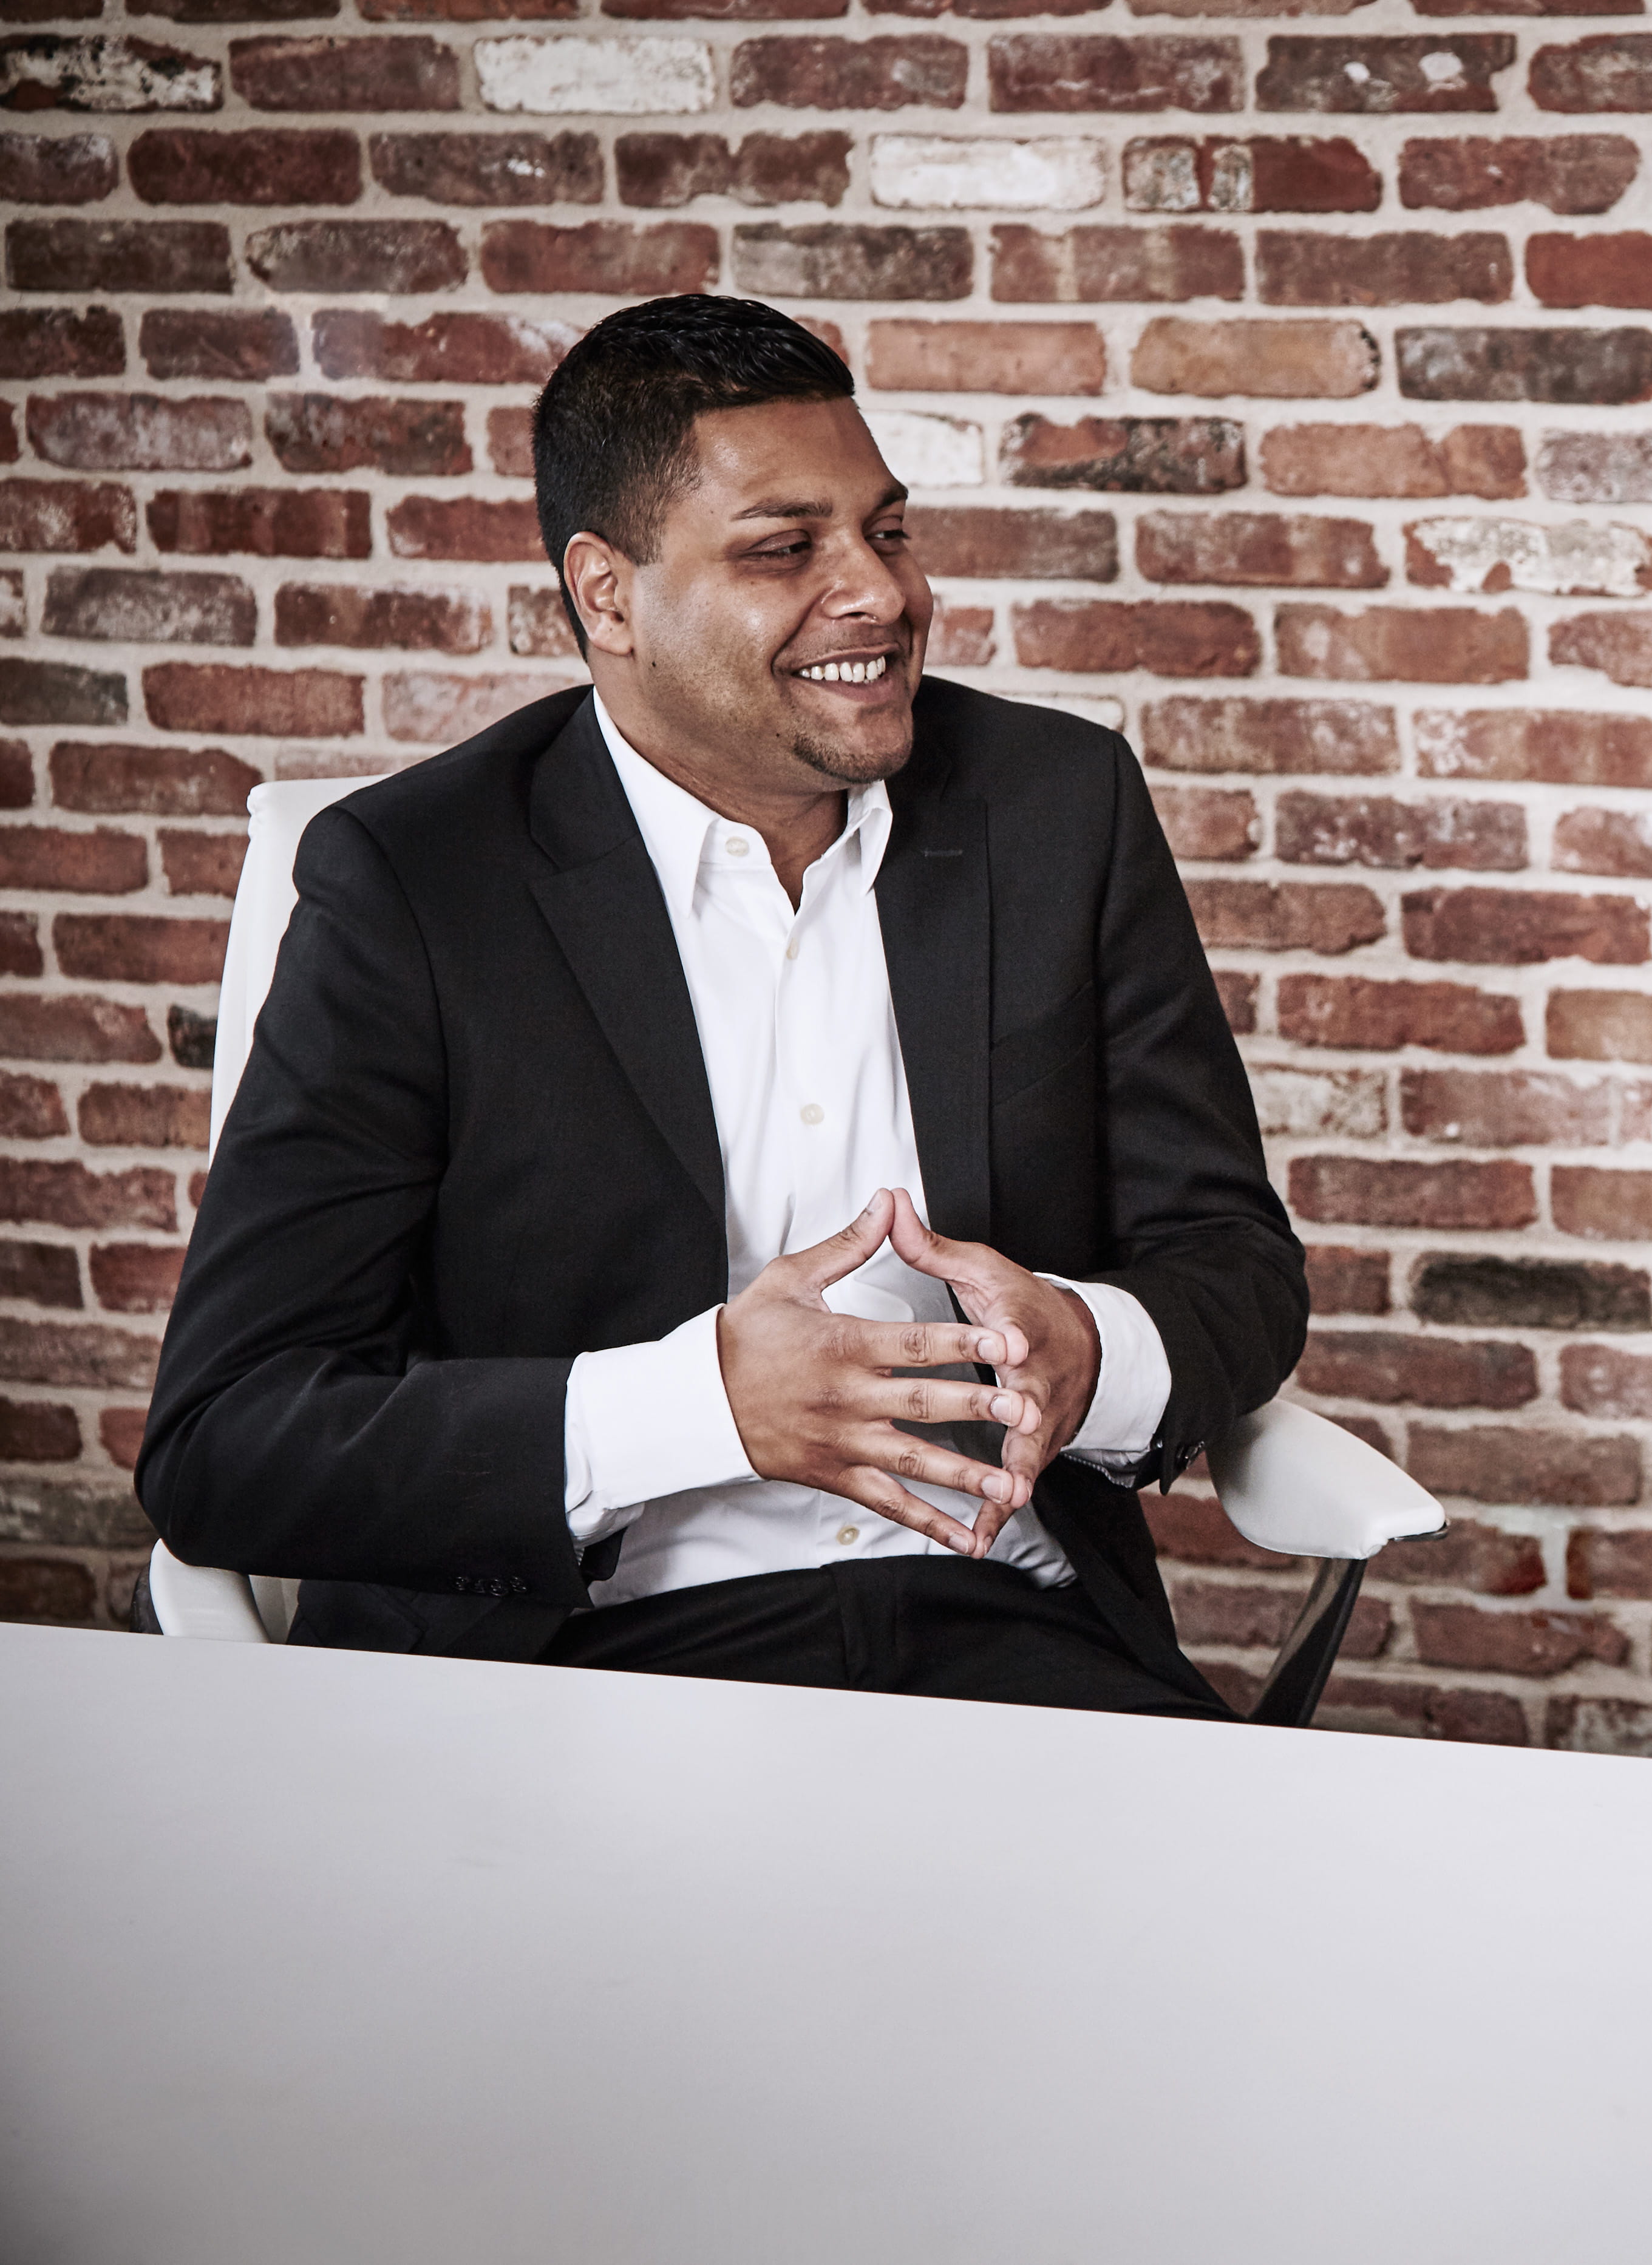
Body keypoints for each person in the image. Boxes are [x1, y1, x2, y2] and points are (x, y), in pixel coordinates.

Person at [141, 295, 1304, 1717]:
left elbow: (1232, 1259)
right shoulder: (414, 881)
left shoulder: (1058, 807)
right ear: (607, 592)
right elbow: (227, 1443)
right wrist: (704, 1406)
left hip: (1010, 1631)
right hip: (577, 1665)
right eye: (782, 551)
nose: (878, 594)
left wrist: (1089, 1344)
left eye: (886, 531)